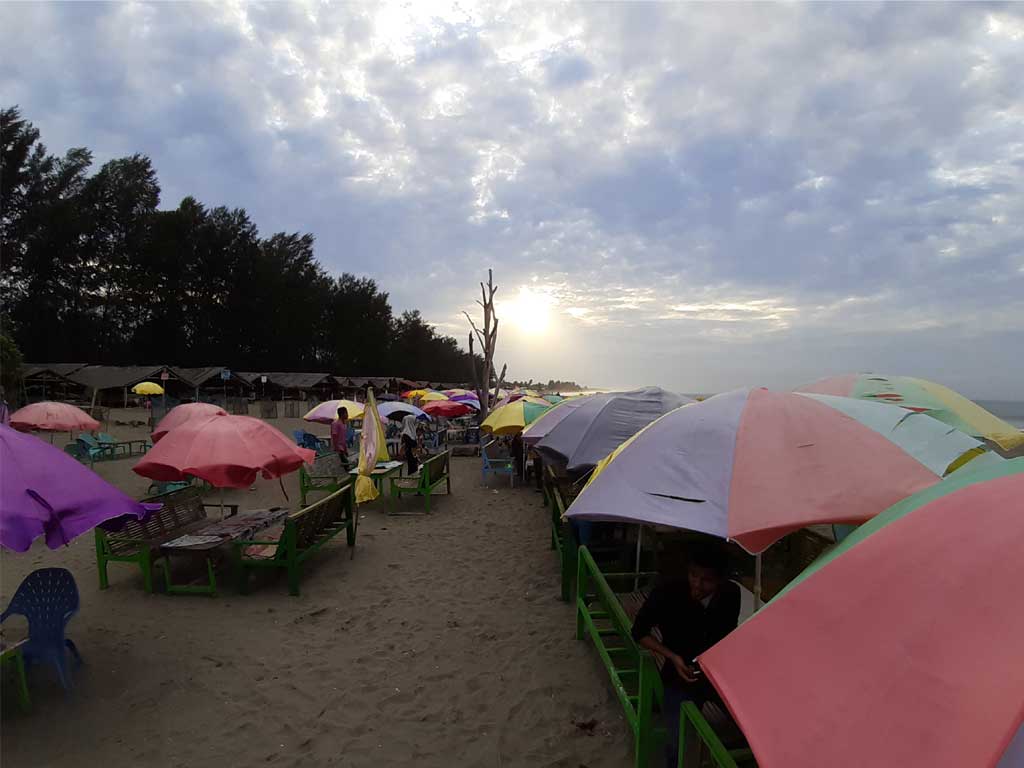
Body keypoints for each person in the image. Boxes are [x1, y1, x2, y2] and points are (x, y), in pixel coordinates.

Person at [631, 541, 740, 768]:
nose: (697, 585)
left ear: (720, 580)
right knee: (678, 746)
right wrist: (671, 656)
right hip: (678, 674)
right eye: (693, 575)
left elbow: (728, 636)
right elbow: (639, 632)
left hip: (718, 673)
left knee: (750, 725)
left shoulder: (731, 594)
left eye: (707, 580)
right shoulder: (667, 592)